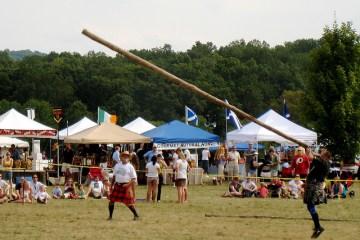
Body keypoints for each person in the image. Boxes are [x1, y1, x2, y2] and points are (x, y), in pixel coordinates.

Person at [303, 150, 331, 238]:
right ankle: (317, 226)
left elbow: (310, 156)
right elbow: (315, 156)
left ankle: (318, 227)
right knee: (310, 206)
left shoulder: (323, 162)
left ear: (325, 156)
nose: (320, 152)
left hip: (315, 186)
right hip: (313, 185)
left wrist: (308, 150)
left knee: (310, 205)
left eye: (322, 152)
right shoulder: (324, 161)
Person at [108, 150, 139, 221]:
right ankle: (110, 217)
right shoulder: (117, 165)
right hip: (117, 185)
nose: (125, 157)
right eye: (123, 156)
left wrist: (127, 184)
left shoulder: (130, 167)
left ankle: (136, 215)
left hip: (126, 186)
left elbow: (134, 178)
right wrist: (111, 185)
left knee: (128, 203)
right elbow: (114, 176)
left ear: (128, 158)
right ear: (121, 157)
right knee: (111, 201)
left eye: (126, 156)